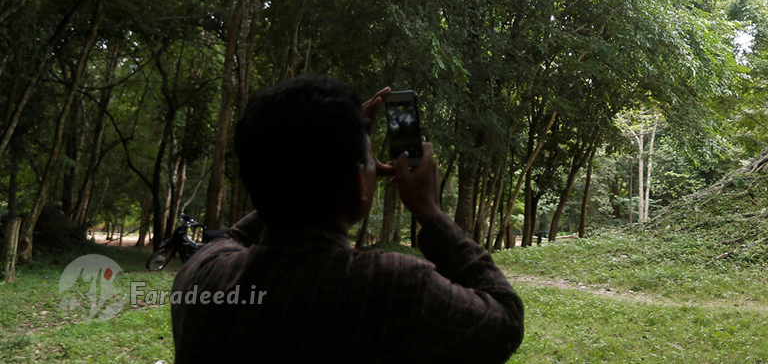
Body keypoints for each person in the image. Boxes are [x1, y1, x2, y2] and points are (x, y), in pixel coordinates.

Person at [170, 75, 523, 363]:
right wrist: (430, 212)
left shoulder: (199, 276)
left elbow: (235, 235)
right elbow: (505, 321)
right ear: (358, 185)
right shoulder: (393, 287)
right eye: (369, 162)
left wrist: (292, 176)